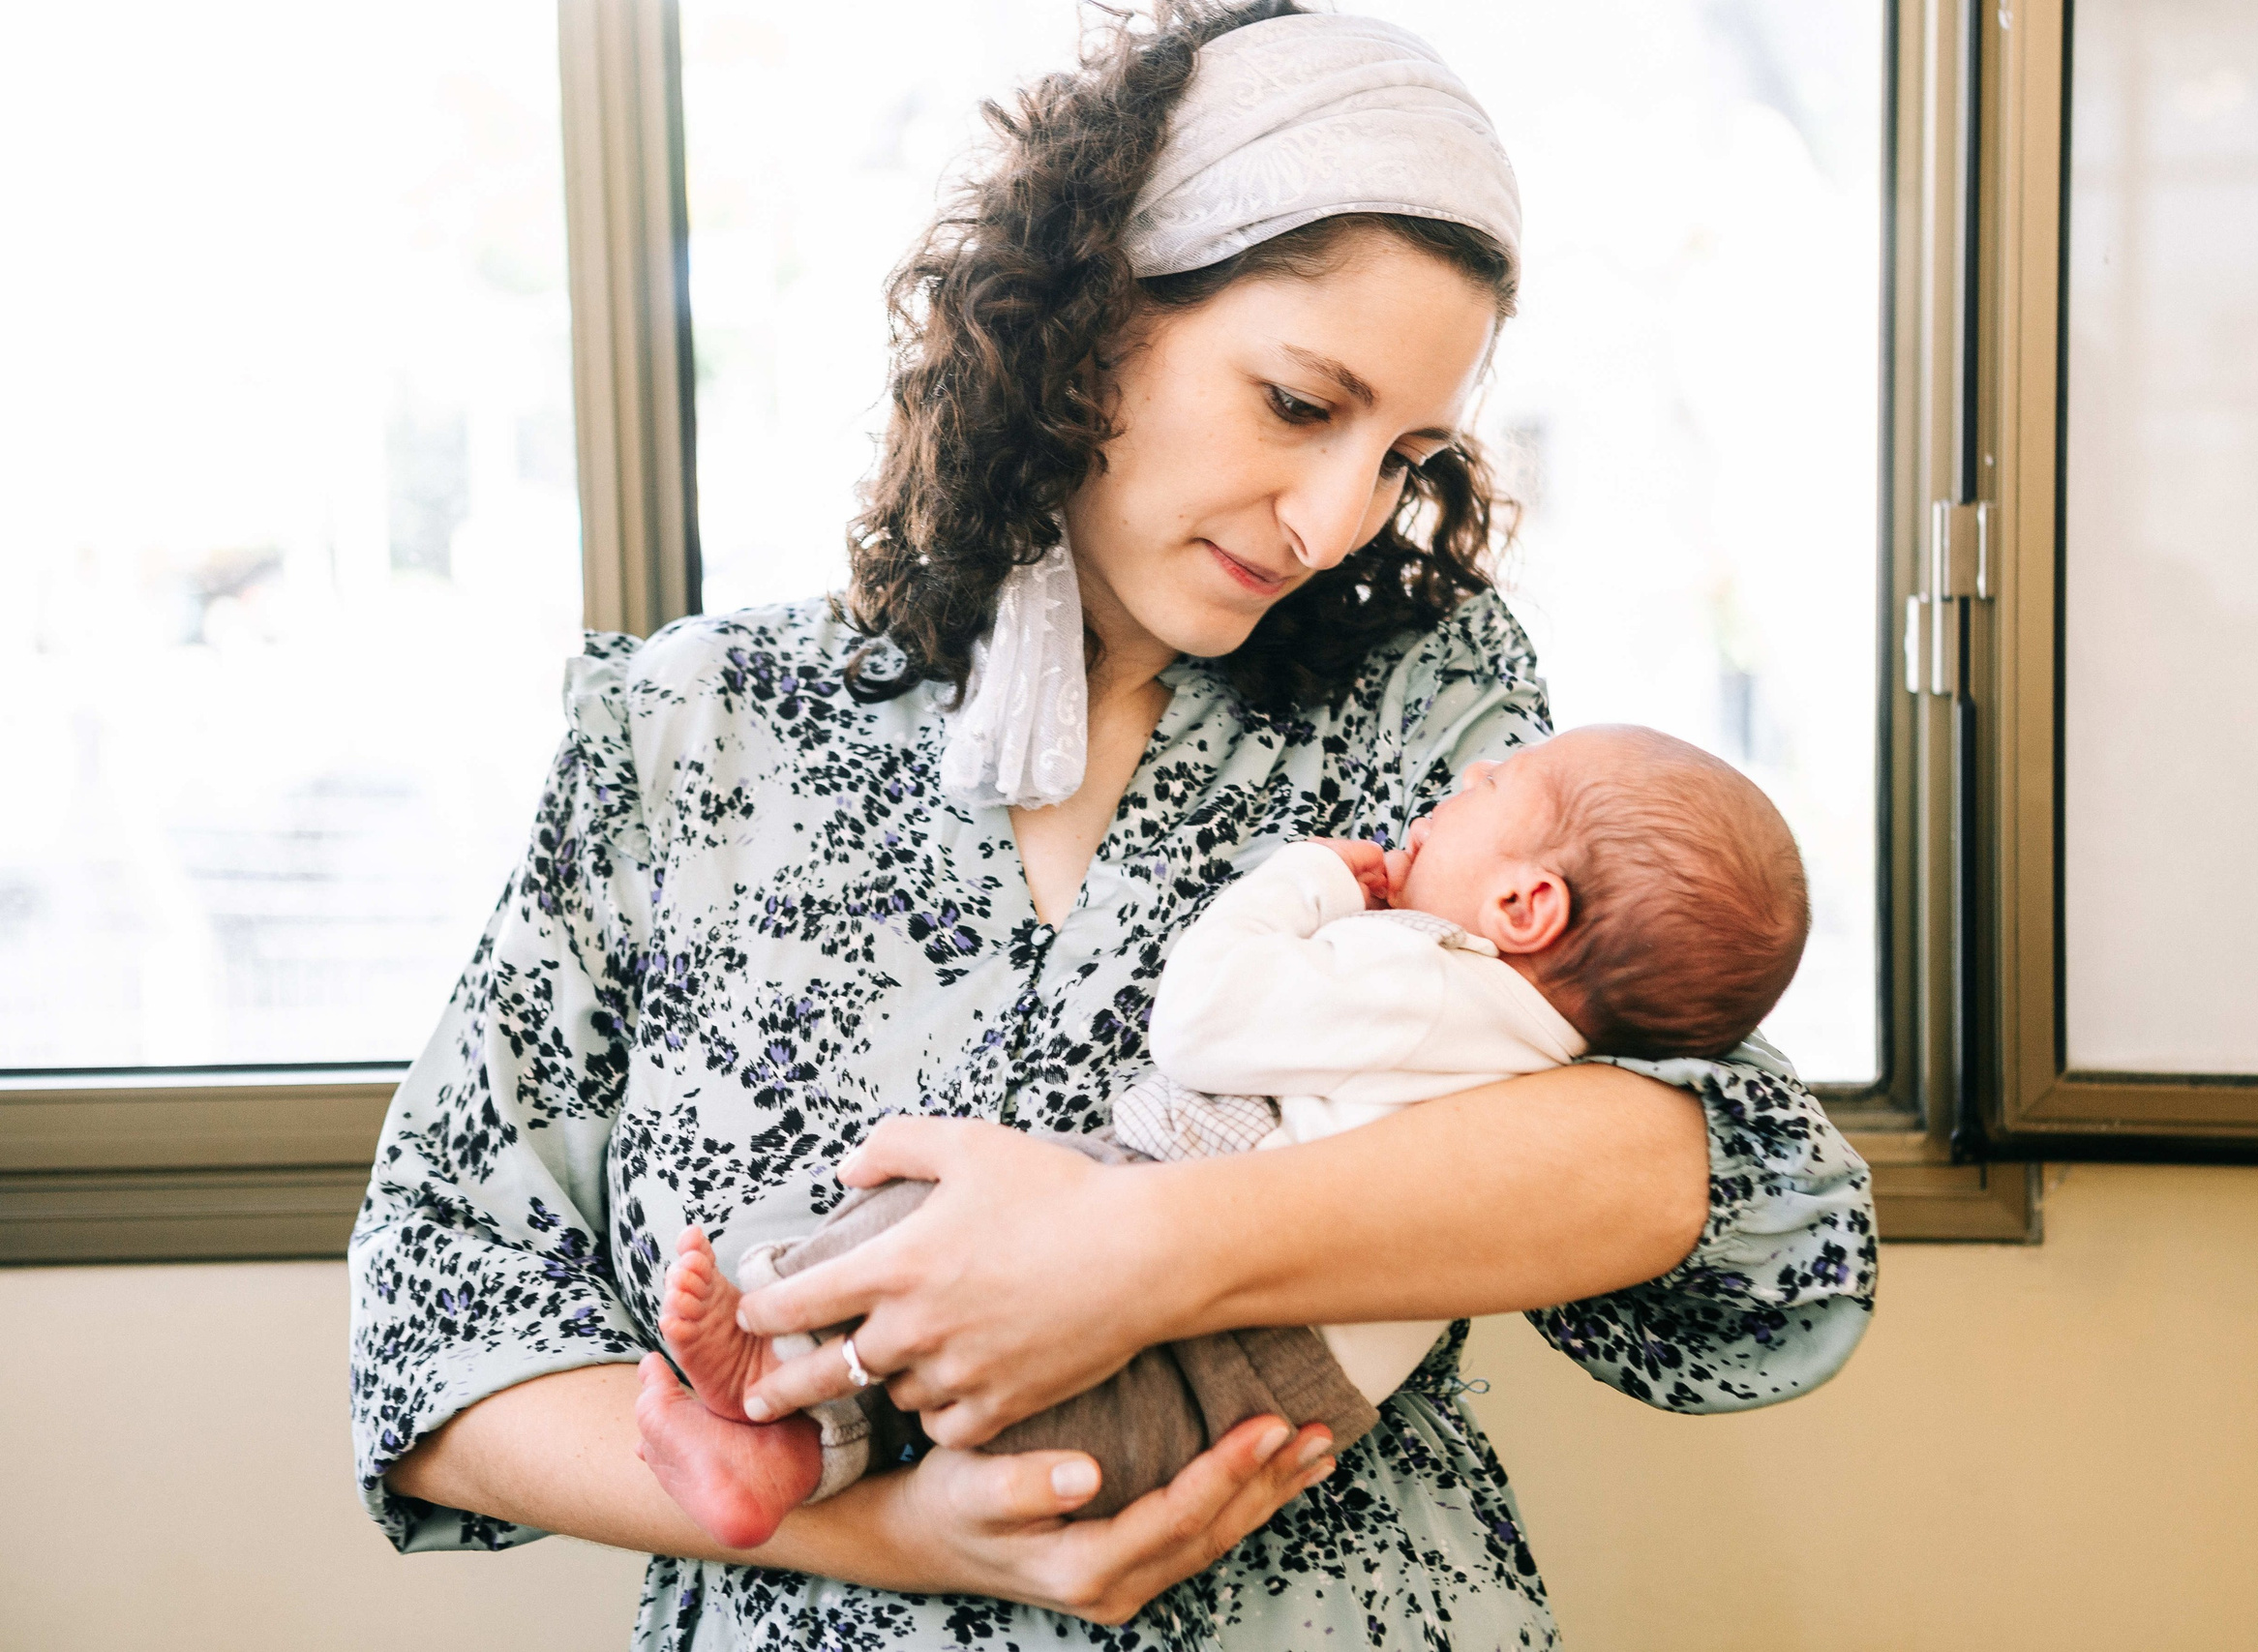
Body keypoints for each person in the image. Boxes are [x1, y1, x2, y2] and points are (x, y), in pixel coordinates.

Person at [351, 5, 1878, 1643]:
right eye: (1299, 403)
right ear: (1089, 317)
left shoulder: (1419, 712)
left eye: (1405, 454)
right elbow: (437, 1338)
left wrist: (1141, 1248)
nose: (1334, 519)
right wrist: (916, 1533)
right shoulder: (686, 731)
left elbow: (1735, 1194)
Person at [643, 722, 1815, 1549]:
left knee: (913, 1210)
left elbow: (1203, 1025)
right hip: (1267, 1408)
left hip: (1199, 1271)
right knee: (1010, 1407)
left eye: (1486, 788)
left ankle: (773, 1372)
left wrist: (1301, 881)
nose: (1464, 772)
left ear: (1521, 907)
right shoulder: (1535, 1055)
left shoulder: (1423, 971)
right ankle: (794, 1452)